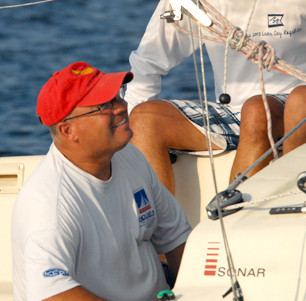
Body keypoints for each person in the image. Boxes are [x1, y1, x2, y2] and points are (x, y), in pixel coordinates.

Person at [11, 62, 192, 301]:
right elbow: (50, 293)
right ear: (68, 130)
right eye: (105, 105)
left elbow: (177, 237)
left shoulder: (128, 155)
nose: (121, 107)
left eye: (118, 97)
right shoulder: (49, 204)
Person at [125, 0, 306, 194]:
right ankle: (159, 232)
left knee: (258, 109)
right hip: (236, 113)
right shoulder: (193, 3)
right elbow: (147, 64)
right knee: (145, 118)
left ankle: (242, 220)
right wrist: (120, 146)